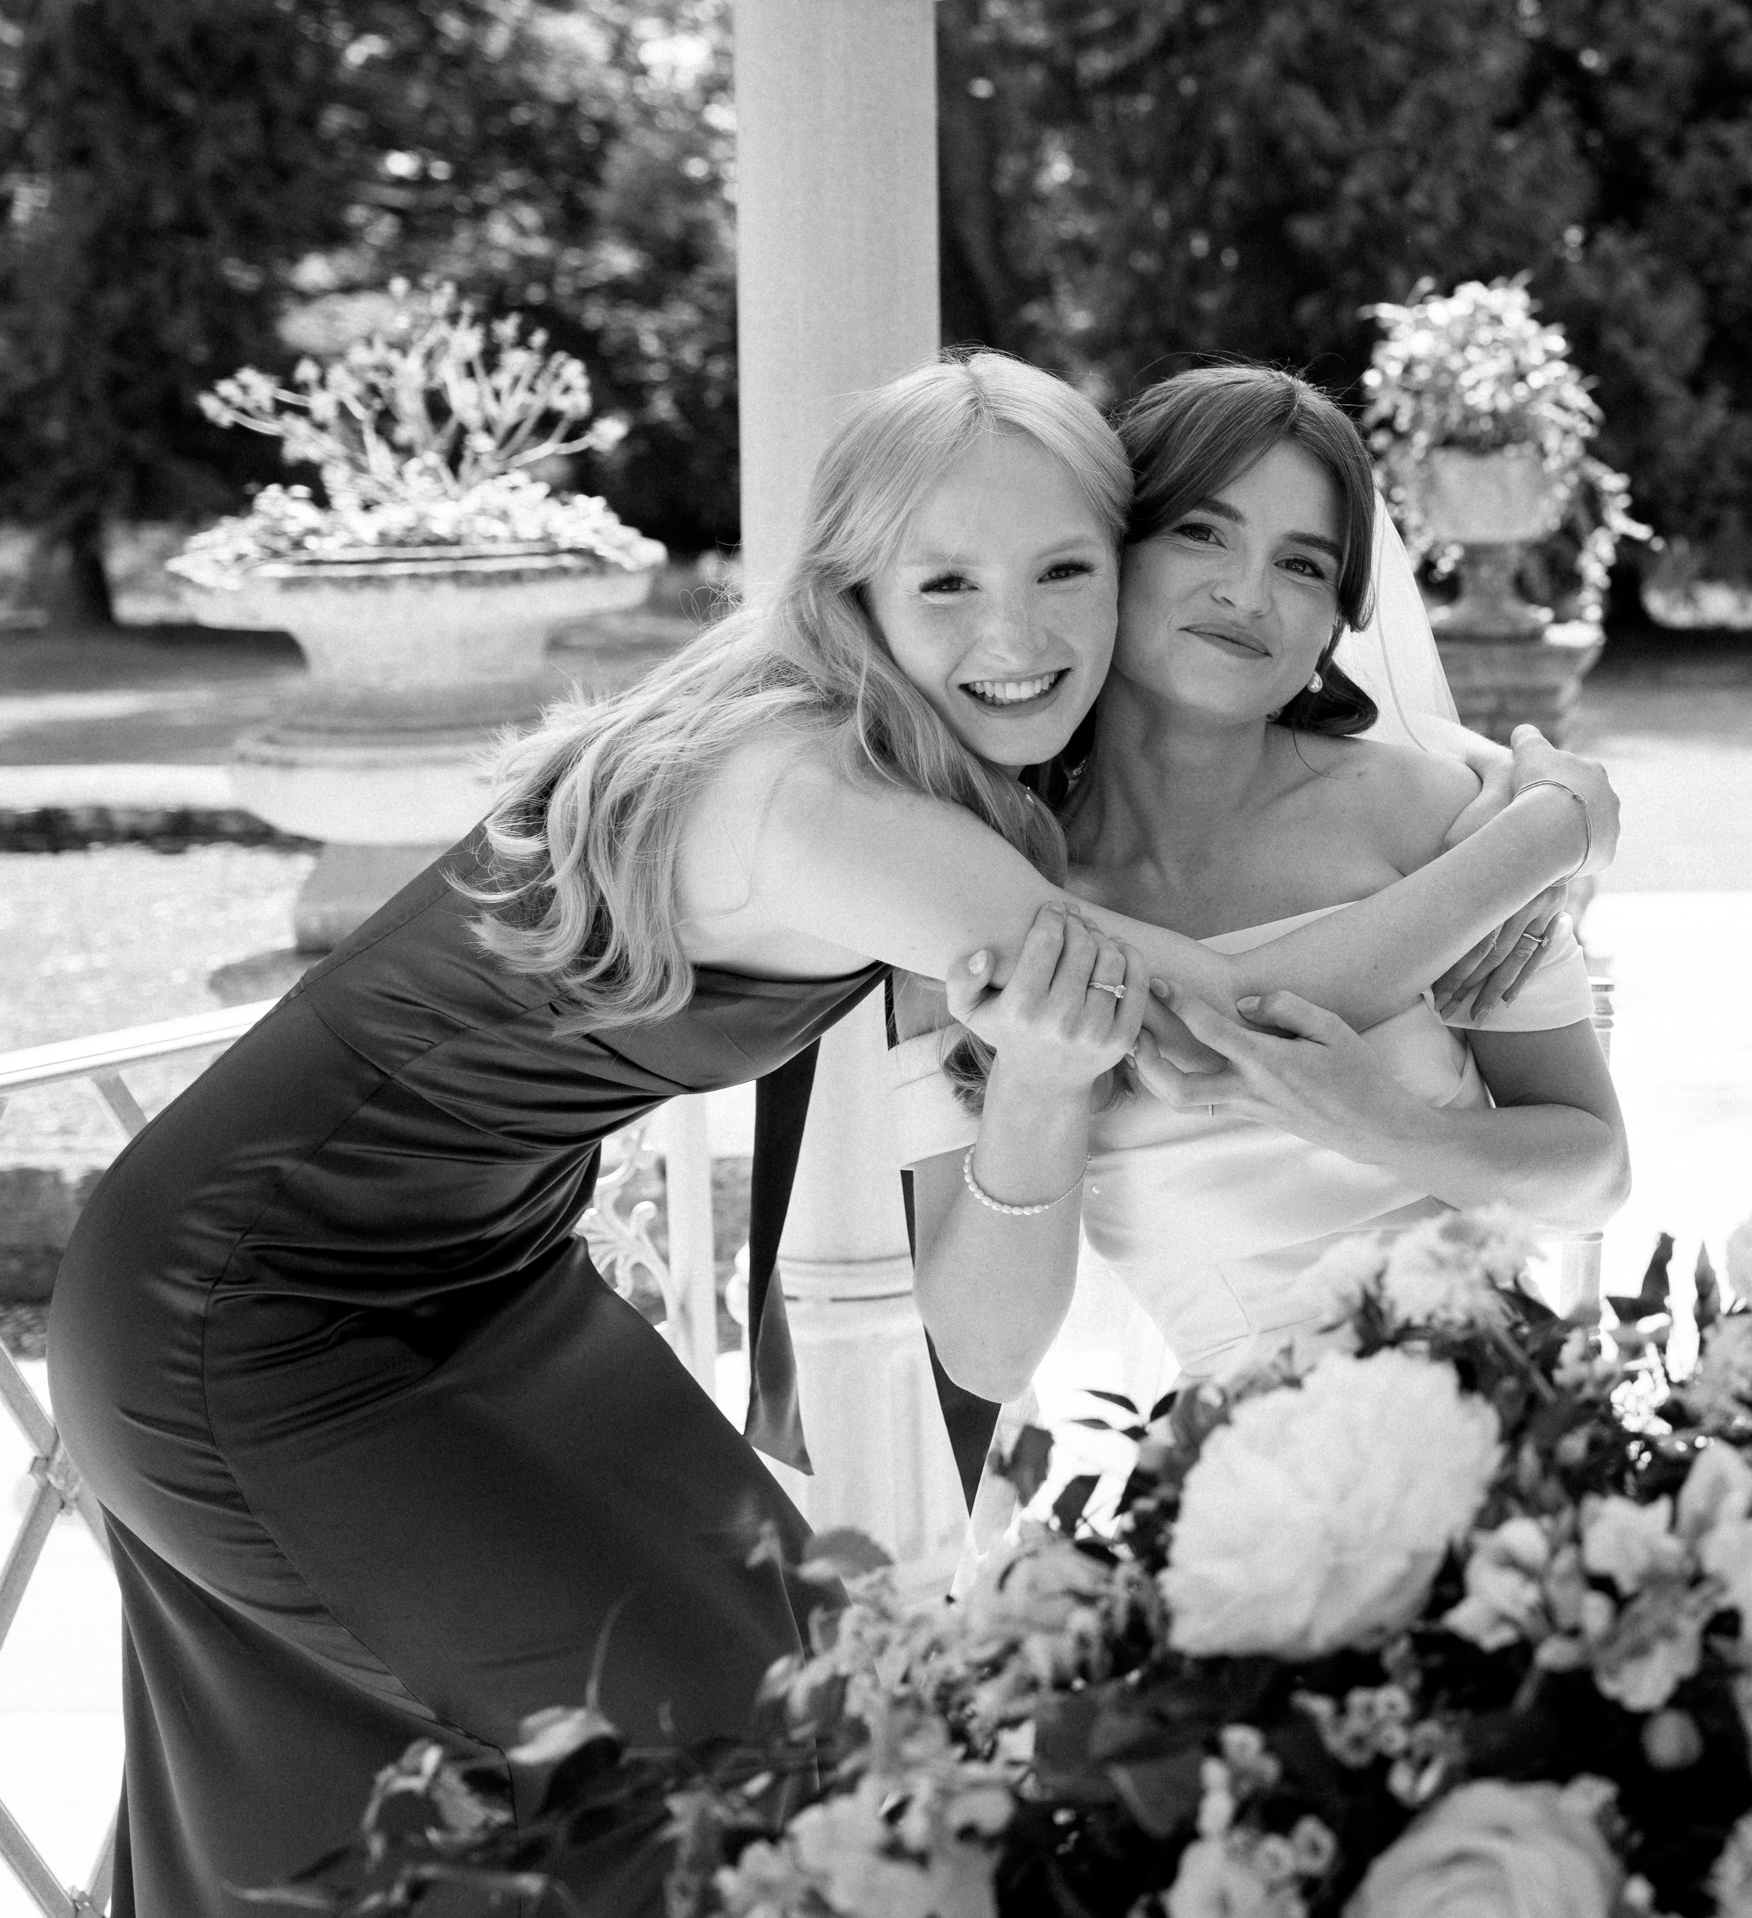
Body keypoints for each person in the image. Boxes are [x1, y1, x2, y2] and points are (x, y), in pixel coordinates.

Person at [46, 352, 1617, 1918]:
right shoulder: (833, 806)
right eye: (948, 584)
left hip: (473, 1277)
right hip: (254, 1308)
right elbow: (1230, 1023)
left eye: (1062, 569)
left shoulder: (903, 759)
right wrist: (1553, 827)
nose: (1015, 637)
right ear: (852, 588)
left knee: (811, 1711)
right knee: (760, 1790)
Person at [891, 364, 1628, 1403]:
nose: (1248, 593)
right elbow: (984, 1356)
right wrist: (1036, 1084)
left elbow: (1597, 1174)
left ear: (1336, 620)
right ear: (1106, 553)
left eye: (1303, 564)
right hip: (1241, 1471)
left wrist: (1388, 1126)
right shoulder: (984, 896)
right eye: (1202, 532)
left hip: (1513, 1422)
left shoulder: (1440, 818)